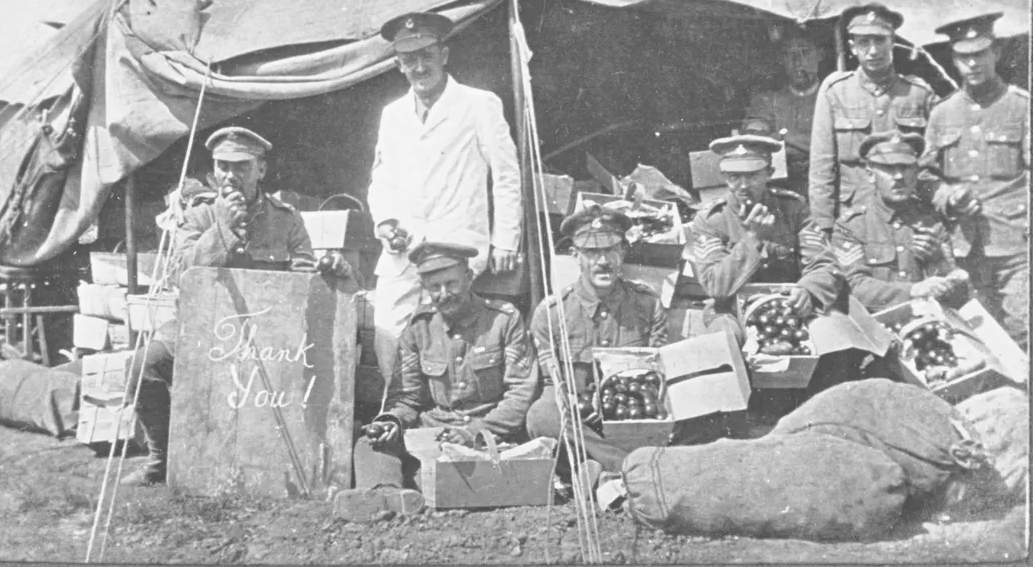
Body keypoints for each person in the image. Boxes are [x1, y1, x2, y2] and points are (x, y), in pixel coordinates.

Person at [121, 126, 338, 486]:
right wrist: (221, 228)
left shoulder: (286, 219)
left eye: (242, 166)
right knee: (145, 365)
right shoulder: (199, 215)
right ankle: (161, 458)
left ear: (261, 170)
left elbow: (303, 278)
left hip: (266, 333)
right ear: (213, 171)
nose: (231, 175)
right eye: (223, 166)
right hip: (203, 327)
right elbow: (181, 275)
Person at [367, 11, 523, 384]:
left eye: (427, 56)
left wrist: (505, 240)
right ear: (398, 65)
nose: (420, 67)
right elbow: (381, 179)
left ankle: (441, 418)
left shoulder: (479, 104)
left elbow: (506, 176)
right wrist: (386, 223)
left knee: (440, 336)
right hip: (402, 251)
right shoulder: (393, 115)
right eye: (409, 60)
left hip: (455, 247)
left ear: (445, 55)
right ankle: (397, 413)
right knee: (387, 329)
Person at [333, 242, 538, 522]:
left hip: (490, 435)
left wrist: (476, 430)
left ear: (469, 277)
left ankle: (402, 492)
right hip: (436, 432)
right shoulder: (419, 327)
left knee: (455, 468)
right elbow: (406, 397)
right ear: (424, 286)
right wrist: (392, 421)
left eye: (451, 283)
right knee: (370, 443)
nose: (444, 294)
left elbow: (520, 392)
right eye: (434, 287)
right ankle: (389, 493)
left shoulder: (504, 320)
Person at [526, 205, 667, 488]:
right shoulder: (552, 313)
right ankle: (627, 468)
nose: (603, 261)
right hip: (581, 425)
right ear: (575, 256)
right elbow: (550, 385)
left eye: (612, 250)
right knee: (542, 415)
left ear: (624, 252)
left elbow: (660, 377)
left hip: (632, 416)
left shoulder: (647, 304)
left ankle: (595, 472)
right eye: (591, 253)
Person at [919, 12, 1029, 350]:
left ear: (995, 53)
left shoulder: (1021, 106)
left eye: (980, 54)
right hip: (965, 248)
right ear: (953, 60)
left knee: (1023, 327)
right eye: (964, 57)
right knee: (979, 334)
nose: (973, 64)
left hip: (1016, 244)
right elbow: (924, 175)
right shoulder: (943, 113)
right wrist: (948, 196)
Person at [690, 135, 843, 342]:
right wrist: (753, 239)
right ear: (724, 177)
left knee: (834, 332)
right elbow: (715, 286)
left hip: (789, 305)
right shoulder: (710, 219)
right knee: (725, 338)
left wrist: (808, 290)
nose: (743, 185)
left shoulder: (793, 208)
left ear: (769, 173)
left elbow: (824, 264)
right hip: (730, 309)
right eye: (734, 176)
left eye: (752, 175)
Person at [808, 3, 938, 234]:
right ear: (852, 47)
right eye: (863, 42)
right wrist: (824, 224)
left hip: (908, 217)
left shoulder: (918, 93)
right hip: (854, 216)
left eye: (880, 40)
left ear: (893, 42)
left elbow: (933, 161)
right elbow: (822, 165)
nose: (873, 50)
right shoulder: (835, 91)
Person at [832, 131, 969, 312]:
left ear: (916, 172)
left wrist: (937, 260)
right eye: (889, 169)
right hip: (874, 326)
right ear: (870, 175)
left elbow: (959, 297)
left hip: (927, 323)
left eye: (905, 168)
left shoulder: (932, 222)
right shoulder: (851, 226)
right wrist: (913, 290)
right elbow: (853, 286)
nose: (898, 177)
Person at [745, 30, 826, 196]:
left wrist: (784, 140)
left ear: (820, 55)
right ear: (781, 60)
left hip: (826, 182)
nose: (798, 62)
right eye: (790, 55)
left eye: (805, 53)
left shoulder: (832, 96)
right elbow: (754, 135)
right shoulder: (768, 100)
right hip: (785, 188)